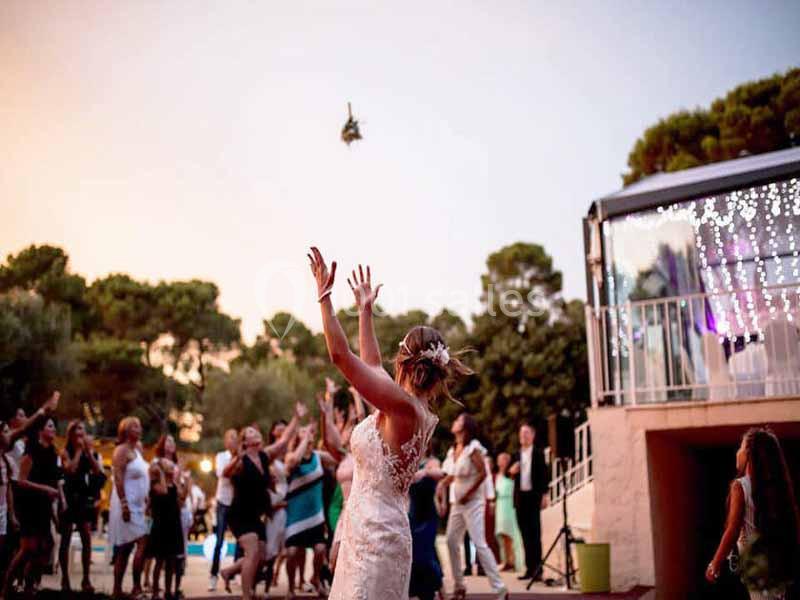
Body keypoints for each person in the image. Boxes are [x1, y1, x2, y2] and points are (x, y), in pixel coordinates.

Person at [308, 251, 471, 600]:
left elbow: (341, 357)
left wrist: (324, 298)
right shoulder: (411, 407)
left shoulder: (403, 408)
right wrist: (365, 312)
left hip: (376, 539)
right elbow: (371, 365)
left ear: (404, 362)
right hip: (368, 531)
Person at [220, 401, 307, 600]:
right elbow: (225, 474)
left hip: (255, 516)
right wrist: (237, 457)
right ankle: (246, 595)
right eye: (251, 432)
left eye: (255, 431)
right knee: (252, 553)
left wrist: (296, 418)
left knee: (260, 555)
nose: (256, 433)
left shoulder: (264, 455)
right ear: (245, 441)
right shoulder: (241, 461)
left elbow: (283, 441)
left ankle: (229, 571)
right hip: (240, 515)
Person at [706, 427, 800, 599]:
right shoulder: (777, 488)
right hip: (776, 567)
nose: (737, 452)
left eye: (740, 447)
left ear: (749, 453)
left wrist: (715, 563)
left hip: (757, 569)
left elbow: (733, 529)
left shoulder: (740, 486)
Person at [439, 413, 508, 600]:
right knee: (451, 541)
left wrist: (468, 494)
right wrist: (442, 484)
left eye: (458, 420)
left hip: (473, 503)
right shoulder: (454, 450)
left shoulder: (473, 448)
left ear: (465, 427)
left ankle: (500, 589)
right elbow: (453, 475)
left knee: (479, 543)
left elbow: (483, 473)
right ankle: (459, 586)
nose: (454, 422)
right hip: (457, 504)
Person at [3, 413, 63, 596]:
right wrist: (45, 489)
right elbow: (21, 480)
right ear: (40, 430)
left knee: (44, 547)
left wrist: (57, 499)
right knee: (27, 548)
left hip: (44, 504)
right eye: (50, 426)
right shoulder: (32, 450)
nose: (53, 429)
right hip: (29, 504)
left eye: (54, 426)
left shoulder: (52, 452)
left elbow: (55, 480)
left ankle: (30, 586)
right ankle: (5, 588)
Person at [284, 423, 338, 598]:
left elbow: (338, 456)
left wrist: (329, 423)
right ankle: (291, 587)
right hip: (295, 515)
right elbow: (294, 461)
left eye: (309, 431)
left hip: (316, 514)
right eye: (303, 430)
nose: (307, 433)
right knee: (292, 552)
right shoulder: (291, 456)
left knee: (320, 549)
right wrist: (305, 438)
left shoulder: (318, 456)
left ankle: (315, 578)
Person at [58, 419, 103, 593]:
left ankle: (86, 579)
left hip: (83, 498)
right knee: (66, 538)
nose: (80, 433)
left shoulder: (88, 452)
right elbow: (70, 469)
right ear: (71, 434)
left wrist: (88, 453)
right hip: (69, 497)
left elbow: (97, 471)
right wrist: (78, 451)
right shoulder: (65, 452)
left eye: (82, 430)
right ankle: (65, 578)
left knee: (86, 538)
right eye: (77, 430)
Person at [109, 416, 150, 599]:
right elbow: (118, 478)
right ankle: (135, 587)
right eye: (134, 426)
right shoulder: (121, 451)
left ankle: (119, 590)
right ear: (125, 430)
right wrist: (124, 504)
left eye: (139, 426)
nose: (139, 429)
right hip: (126, 504)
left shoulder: (138, 450)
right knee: (137, 543)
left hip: (140, 506)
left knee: (126, 549)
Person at [509, 423, 549, 581]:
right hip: (520, 498)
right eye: (521, 433)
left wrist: (545, 495)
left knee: (535, 534)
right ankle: (529, 568)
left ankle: (538, 570)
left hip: (534, 497)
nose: (523, 436)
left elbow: (544, 474)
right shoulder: (516, 454)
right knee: (524, 534)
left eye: (526, 433)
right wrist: (511, 472)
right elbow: (508, 473)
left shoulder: (538, 453)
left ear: (532, 435)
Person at [409, 456, 446, 600]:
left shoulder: (432, 462)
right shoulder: (408, 461)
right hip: (413, 515)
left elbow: (442, 474)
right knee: (416, 555)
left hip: (428, 516)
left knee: (425, 555)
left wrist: (424, 472)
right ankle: (425, 590)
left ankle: (434, 589)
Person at [208, 428, 238, 591]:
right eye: (230, 437)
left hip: (237, 503)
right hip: (223, 502)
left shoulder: (242, 457)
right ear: (226, 441)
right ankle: (213, 575)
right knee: (219, 541)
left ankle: (235, 572)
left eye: (235, 437)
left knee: (241, 540)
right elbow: (224, 473)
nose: (233, 440)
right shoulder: (221, 457)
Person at [494, 453, 519, 571]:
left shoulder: (511, 473)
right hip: (500, 503)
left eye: (503, 459)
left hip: (509, 504)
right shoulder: (497, 475)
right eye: (499, 459)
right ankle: (506, 560)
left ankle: (512, 560)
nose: (500, 462)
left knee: (509, 532)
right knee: (502, 534)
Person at [0, 421, 18, 574]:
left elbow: (8, 490)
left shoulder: (7, 460)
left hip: (2, 510)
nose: (9, 435)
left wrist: (11, 515)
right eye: (5, 432)